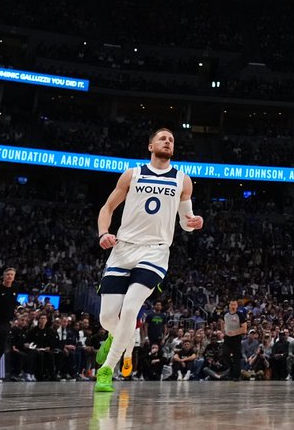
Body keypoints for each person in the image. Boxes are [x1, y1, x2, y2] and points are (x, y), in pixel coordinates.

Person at [93, 128, 203, 393]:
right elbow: (107, 208)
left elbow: (185, 222)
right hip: (123, 249)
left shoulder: (182, 180)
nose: (168, 141)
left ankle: (107, 368)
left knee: (131, 308)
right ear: (150, 146)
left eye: (171, 140)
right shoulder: (132, 174)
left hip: (155, 252)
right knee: (107, 317)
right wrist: (103, 233)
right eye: (162, 138)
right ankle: (121, 339)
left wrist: (194, 222)